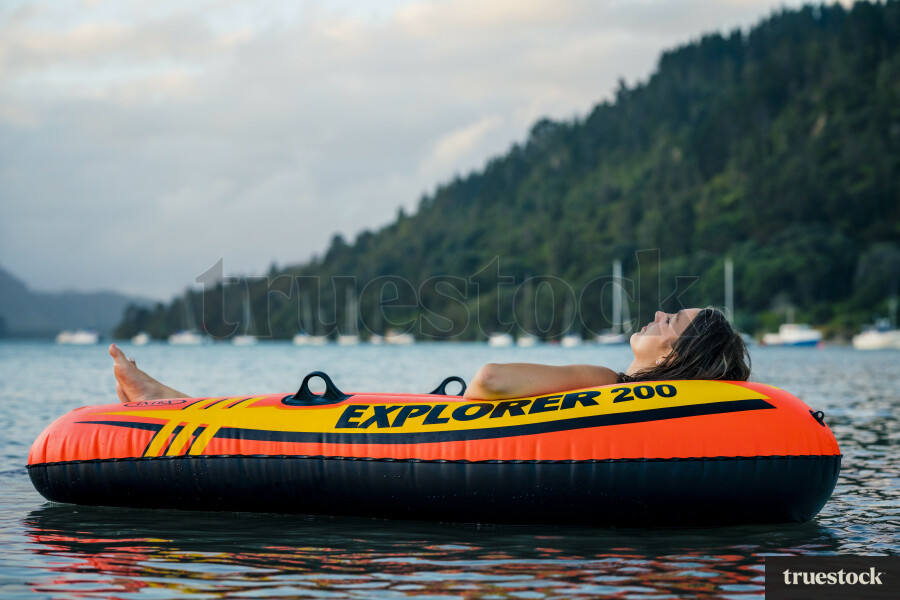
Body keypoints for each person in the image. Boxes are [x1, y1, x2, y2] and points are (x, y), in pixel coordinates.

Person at [109, 306, 750, 403]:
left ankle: (174, 403)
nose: (660, 313)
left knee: (315, 404)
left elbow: (493, 376)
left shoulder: (605, 379)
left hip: (451, 431)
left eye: (675, 321)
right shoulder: (631, 398)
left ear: (678, 353)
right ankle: (174, 401)